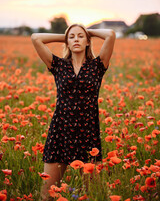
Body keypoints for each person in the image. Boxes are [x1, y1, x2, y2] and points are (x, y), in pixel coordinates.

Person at [31, 23, 115, 200]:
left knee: (93, 195)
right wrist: (69, 35)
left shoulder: (98, 66)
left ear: (87, 42)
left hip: (88, 134)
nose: (76, 39)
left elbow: (111, 34)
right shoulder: (58, 65)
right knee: (47, 195)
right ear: (67, 43)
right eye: (72, 37)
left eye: (80, 37)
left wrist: (86, 32)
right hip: (60, 133)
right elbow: (35, 38)